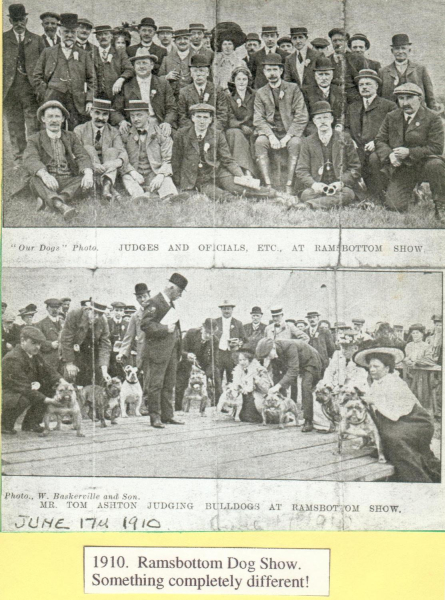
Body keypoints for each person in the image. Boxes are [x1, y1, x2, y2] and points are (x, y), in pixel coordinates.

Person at [353, 344, 440, 482]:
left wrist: (373, 401)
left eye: (376, 366)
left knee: (394, 438)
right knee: (383, 432)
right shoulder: (377, 382)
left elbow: (395, 412)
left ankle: (416, 477)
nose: (372, 370)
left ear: (387, 368)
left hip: (416, 421)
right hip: (398, 419)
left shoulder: (394, 382)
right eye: (370, 367)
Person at [172, 103, 271, 201]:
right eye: (198, 117)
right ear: (193, 118)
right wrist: (181, 182)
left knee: (237, 188)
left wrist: (241, 175)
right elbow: (176, 160)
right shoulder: (181, 134)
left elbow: (227, 159)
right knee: (221, 196)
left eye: (205, 118)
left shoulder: (217, 134)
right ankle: (243, 202)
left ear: (210, 120)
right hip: (199, 178)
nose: (202, 121)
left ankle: (274, 194)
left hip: (217, 172)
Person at [374, 83, 445, 217]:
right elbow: (380, 140)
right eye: (401, 98)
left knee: (436, 164)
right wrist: (390, 155)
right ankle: (413, 194)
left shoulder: (433, 118)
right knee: (394, 206)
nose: (405, 102)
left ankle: (441, 205)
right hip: (403, 169)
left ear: (420, 99)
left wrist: (409, 152)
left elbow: (436, 147)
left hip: (424, 165)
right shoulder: (392, 116)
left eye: (409, 98)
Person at [22, 100, 94, 220]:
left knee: (89, 180)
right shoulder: (35, 139)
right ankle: (60, 205)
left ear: (62, 119)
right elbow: (30, 159)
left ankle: (52, 200)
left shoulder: (71, 136)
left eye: (57, 117)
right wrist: (45, 175)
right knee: (34, 179)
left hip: (68, 179)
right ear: (43, 119)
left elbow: (82, 155)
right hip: (47, 180)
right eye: (50, 116)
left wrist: (88, 173)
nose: (54, 120)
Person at [254, 53, 308, 194]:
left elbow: (301, 116)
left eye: (274, 69)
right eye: (268, 70)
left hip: (289, 131)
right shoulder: (260, 93)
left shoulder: (293, 88)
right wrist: (271, 136)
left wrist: (288, 136)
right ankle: (268, 185)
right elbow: (258, 118)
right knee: (260, 142)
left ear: (281, 71)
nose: (272, 73)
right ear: (264, 72)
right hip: (270, 131)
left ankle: (289, 185)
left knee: (296, 143)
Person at [140, 273, 188, 428]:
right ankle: (155, 417)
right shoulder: (154, 302)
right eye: (179, 291)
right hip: (158, 352)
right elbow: (146, 325)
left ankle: (167, 415)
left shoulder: (170, 304)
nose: (180, 295)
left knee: (169, 384)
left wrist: (179, 350)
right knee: (156, 384)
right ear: (171, 287)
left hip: (171, 352)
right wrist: (164, 328)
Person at [33, 13, 95, 130]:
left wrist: (89, 100)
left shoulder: (84, 55)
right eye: (66, 32)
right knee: (53, 127)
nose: (69, 36)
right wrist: (45, 93)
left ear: (76, 33)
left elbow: (92, 79)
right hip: (53, 97)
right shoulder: (48, 52)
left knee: (75, 130)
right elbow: (37, 75)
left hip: (76, 100)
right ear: (60, 32)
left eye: (73, 32)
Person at [296, 101, 360, 209]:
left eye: (325, 117)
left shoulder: (345, 138)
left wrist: (341, 183)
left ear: (331, 119)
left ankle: (310, 205)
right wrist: (314, 185)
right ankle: (331, 203)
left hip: (339, 186)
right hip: (318, 187)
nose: (323, 121)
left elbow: (355, 167)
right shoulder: (307, 142)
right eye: (319, 118)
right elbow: (301, 170)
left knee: (347, 194)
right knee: (306, 194)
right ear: (314, 122)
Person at [345, 69, 397, 203]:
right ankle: (356, 194)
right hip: (357, 148)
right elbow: (346, 128)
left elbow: (395, 130)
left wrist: (377, 142)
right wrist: (350, 140)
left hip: (379, 148)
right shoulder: (353, 107)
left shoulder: (388, 106)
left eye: (368, 84)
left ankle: (379, 194)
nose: (364, 87)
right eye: (361, 85)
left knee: (375, 159)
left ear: (377, 86)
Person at [3, 3, 45, 169]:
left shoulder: (36, 39)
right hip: (9, 89)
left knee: (33, 124)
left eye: (21, 20)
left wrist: (40, 86)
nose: (18, 24)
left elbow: (44, 64)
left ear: (26, 20)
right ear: (10, 20)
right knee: (14, 124)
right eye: (15, 20)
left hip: (30, 89)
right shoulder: (3, 39)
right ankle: (19, 159)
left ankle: (32, 158)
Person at [2, 326, 64, 435]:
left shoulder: (33, 354)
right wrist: (49, 400)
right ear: (23, 341)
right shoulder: (13, 358)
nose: (37, 347)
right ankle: (4, 424)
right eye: (34, 343)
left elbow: (48, 370)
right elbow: (24, 388)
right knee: (24, 398)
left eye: (39, 344)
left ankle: (30, 423)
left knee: (50, 386)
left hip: (22, 389)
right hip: (7, 394)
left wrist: (62, 381)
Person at [120, 99, 184, 201]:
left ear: (148, 114)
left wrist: (161, 175)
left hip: (154, 173)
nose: (135, 119)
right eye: (132, 116)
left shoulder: (160, 133)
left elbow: (168, 158)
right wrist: (132, 172)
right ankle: (140, 197)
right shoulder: (126, 135)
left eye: (139, 115)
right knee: (127, 178)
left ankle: (170, 198)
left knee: (166, 180)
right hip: (135, 174)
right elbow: (121, 157)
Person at [256, 337, 322, 432]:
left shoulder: (289, 346)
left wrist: (278, 386)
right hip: (297, 363)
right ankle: (284, 414)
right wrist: (275, 389)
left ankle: (308, 420)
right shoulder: (273, 354)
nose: (268, 359)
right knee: (280, 384)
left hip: (310, 361)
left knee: (305, 386)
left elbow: (293, 370)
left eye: (267, 355)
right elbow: (277, 374)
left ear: (273, 348)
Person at [74, 97, 129, 202]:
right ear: (91, 113)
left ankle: (106, 186)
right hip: (89, 167)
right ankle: (107, 188)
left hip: (107, 166)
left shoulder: (113, 131)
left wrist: (114, 163)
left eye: (105, 114)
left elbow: (122, 152)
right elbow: (76, 153)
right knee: (87, 148)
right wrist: (92, 165)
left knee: (112, 151)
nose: (101, 117)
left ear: (108, 116)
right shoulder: (79, 130)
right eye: (97, 113)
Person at [113, 50, 177, 135]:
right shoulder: (126, 85)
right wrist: (122, 121)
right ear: (134, 66)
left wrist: (167, 122)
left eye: (144, 63)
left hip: (158, 124)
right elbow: (115, 110)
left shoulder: (163, 83)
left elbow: (172, 108)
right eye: (138, 63)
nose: (141, 66)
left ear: (152, 65)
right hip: (134, 126)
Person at [379, 34, 438, 110]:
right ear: (392, 51)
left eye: (403, 48)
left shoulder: (420, 69)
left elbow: (430, 96)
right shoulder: (383, 72)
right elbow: (379, 97)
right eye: (397, 48)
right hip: (391, 115)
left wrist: (433, 115)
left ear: (409, 50)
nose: (400, 51)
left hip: (417, 113)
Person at [59, 301, 111, 387]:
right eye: (95, 313)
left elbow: (105, 345)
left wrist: (104, 369)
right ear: (88, 309)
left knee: (99, 377)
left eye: (100, 314)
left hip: (90, 353)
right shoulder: (75, 315)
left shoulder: (103, 321)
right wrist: (69, 363)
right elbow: (66, 340)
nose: (97, 317)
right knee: (70, 377)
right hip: (72, 352)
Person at [175, 318, 220, 409]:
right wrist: (187, 355)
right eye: (207, 332)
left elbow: (214, 360)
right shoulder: (191, 333)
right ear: (202, 328)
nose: (208, 335)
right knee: (181, 382)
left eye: (211, 333)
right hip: (187, 363)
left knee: (216, 375)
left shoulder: (215, 340)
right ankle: (178, 408)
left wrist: (208, 374)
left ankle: (217, 405)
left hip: (204, 365)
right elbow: (180, 349)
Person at [177, 54, 229, 130]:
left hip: (213, 131)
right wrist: (195, 130)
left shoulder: (217, 90)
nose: (198, 74)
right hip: (191, 131)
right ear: (191, 74)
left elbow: (222, 114)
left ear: (207, 73)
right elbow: (182, 116)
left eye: (201, 71)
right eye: (195, 71)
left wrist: (210, 130)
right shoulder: (184, 92)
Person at [225, 66, 257, 177]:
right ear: (234, 81)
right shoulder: (229, 97)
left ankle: (251, 172)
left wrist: (253, 128)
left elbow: (260, 113)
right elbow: (229, 117)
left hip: (254, 127)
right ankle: (245, 172)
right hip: (238, 128)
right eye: (238, 79)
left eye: (244, 79)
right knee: (234, 133)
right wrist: (241, 126)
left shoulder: (255, 95)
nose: (241, 82)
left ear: (248, 81)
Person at [91, 25, 134, 105]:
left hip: (115, 97)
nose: (103, 37)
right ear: (97, 37)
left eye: (106, 34)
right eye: (100, 34)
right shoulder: (91, 54)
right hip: (96, 97)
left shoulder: (120, 53)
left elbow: (130, 69)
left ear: (111, 36)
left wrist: (121, 79)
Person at [302, 56, 345, 132]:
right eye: (320, 74)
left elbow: (343, 113)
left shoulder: (339, 91)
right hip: (314, 129)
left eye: (327, 74)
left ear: (332, 76)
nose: (324, 78)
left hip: (335, 129)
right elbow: (305, 117)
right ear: (315, 76)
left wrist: (339, 125)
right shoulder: (306, 92)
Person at [117, 282, 151, 372]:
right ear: (136, 299)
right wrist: (122, 353)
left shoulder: (156, 311)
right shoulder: (135, 316)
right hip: (142, 355)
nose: (142, 299)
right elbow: (128, 337)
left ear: (149, 296)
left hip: (156, 354)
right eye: (139, 297)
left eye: (145, 296)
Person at [232, 349, 273, 423]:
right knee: (243, 415)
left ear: (250, 359)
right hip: (243, 400)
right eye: (240, 360)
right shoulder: (238, 370)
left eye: (244, 360)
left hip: (256, 398)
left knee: (250, 417)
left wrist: (257, 381)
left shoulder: (259, 370)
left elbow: (266, 389)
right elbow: (236, 385)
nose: (242, 362)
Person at [403, 324, 437, 409]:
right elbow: (405, 357)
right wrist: (406, 360)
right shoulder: (409, 345)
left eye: (417, 333)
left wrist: (417, 362)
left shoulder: (426, 346)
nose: (414, 335)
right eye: (413, 333)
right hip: (409, 374)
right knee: (409, 395)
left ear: (422, 334)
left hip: (422, 376)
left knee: (421, 396)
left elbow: (430, 360)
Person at [215, 300, 246, 389]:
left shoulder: (238, 323)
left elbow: (244, 338)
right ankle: (217, 400)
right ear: (221, 310)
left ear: (232, 310)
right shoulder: (215, 322)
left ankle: (232, 400)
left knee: (232, 378)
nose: (227, 311)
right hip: (219, 353)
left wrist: (240, 343)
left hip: (232, 354)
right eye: (224, 309)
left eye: (228, 309)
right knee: (217, 378)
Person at [328, 28, 365, 104]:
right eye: (334, 41)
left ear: (346, 42)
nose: (338, 43)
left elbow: (363, 79)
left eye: (341, 40)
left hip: (354, 99)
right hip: (333, 99)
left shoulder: (357, 58)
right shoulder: (327, 60)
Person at [158, 29, 195, 99]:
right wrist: (166, 77)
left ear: (190, 41)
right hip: (172, 99)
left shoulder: (196, 57)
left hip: (191, 98)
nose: (182, 41)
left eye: (185, 38)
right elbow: (158, 80)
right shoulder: (167, 59)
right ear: (174, 42)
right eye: (179, 39)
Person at [36, 298, 63, 371]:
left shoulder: (64, 324)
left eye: (57, 308)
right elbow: (38, 342)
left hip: (63, 360)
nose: (54, 310)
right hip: (50, 361)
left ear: (60, 309)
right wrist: (50, 344)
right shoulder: (41, 324)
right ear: (47, 308)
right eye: (52, 307)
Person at [107, 301, 128, 377]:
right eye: (116, 310)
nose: (118, 313)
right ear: (112, 311)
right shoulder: (107, 323)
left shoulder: (127, 324)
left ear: (123, 312)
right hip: (110, 356)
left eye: (121, 310)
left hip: (123, 355)